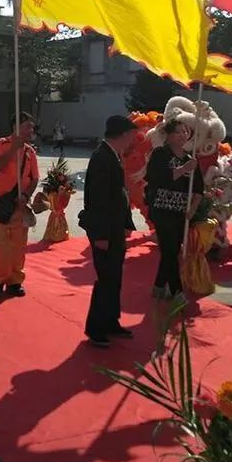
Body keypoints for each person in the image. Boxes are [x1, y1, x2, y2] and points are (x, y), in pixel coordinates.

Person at [79, 115, 137, 348]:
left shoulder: (113, 156)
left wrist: (126, 223)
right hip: (104, 231)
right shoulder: (102, 157)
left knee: (115, 278)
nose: (134, 139)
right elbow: (98, 199)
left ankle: (111, 321)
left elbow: (120, 195)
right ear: (122, 134)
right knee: (106, 279)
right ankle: (96, 328)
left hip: (114, 229)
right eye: (132, 134)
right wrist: (101, 235)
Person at [145, 117, 204, 310]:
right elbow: (160, 178)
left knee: (171, 250)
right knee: (170, 250)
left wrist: (192, 209)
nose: (183, 135)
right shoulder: (160, 154)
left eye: (185, 131)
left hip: (180, 212)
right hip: (161, 210)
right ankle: (177, 292)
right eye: (178, 131)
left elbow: (198, 189)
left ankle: (159, 285)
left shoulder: (191, 159)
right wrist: (183, 169)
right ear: (168, 136)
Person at [0, 112, 40, 298]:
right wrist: (12, 150)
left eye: (31, 127)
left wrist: (26, 195)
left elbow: (34, 178)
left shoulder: (30, 152)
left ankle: (15, 281)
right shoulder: (1, 145)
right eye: (27, 126)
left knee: (19, 244)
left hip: (20, 203)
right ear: (15, 127)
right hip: (0, 202)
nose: (30, 130)